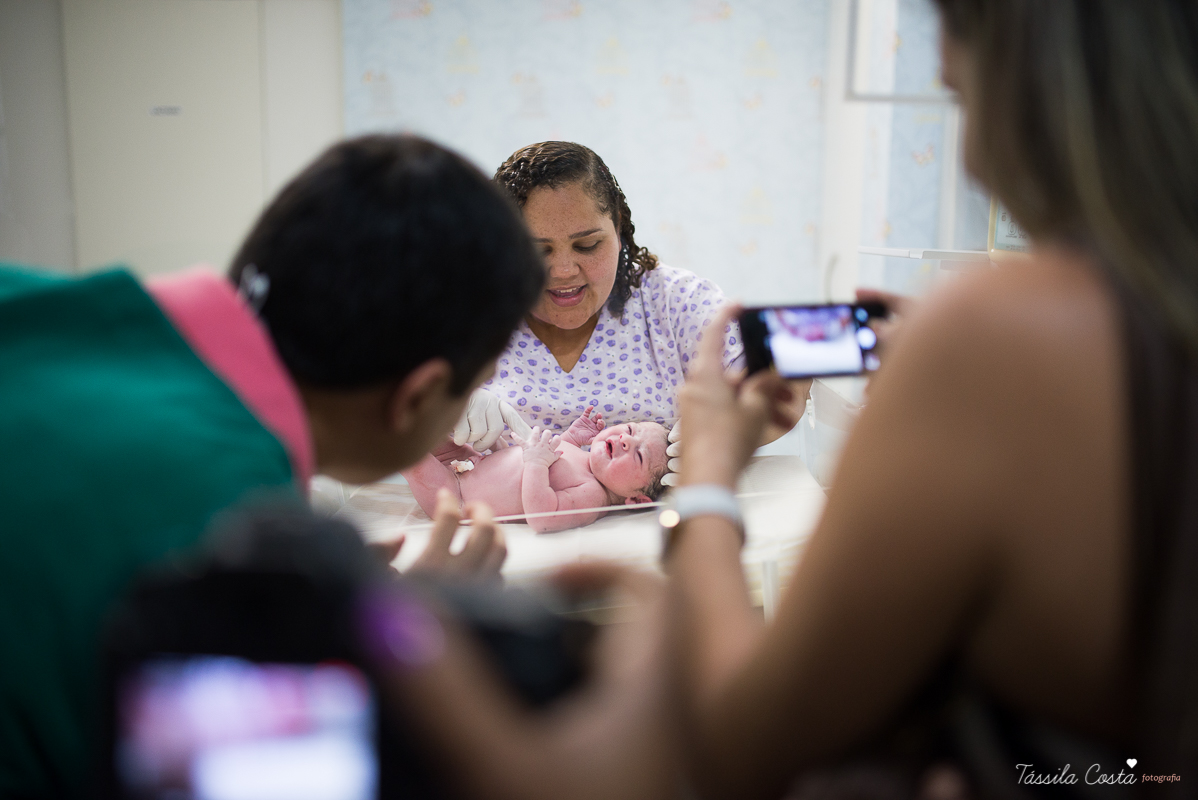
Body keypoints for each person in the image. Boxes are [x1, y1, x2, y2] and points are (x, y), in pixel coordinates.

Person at [664, 1, 1198, 798]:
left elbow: (742, 743)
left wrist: (704, 477)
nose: (972, 160)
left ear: (1037, 93)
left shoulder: (989, 334)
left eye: (961, 98)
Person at [0, 134, 541, 797]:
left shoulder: (42, 306)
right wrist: (398, 625)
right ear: (419, 397)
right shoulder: (224, 518)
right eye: (475, 388)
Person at [449, 140, 801, 461]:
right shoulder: (470, 314)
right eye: (537, 251)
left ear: (618, 229)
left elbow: (785, 378)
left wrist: (729, 430)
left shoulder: (672, 302)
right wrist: (444, 413)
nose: (564, 271)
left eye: (587, 245)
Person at [405, 407, 670, 532]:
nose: (626, 439)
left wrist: (536, 464)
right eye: (631, 429)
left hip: (456, 496)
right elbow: (558, 453)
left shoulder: (592, 496)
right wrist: (571, 437)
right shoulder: (585, 460)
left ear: (636, 500)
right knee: (426, 426)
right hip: (468, 461)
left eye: (639, 455)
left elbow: (543, 518)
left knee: (405, 450)